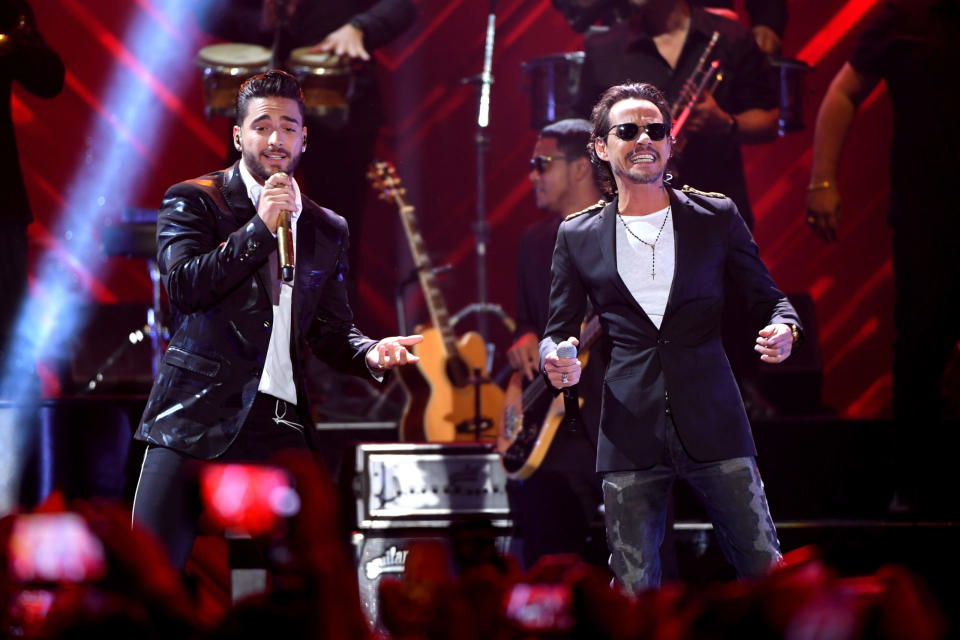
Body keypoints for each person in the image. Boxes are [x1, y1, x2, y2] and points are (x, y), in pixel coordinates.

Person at [132, 70, 422, 568]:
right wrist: (259, 228)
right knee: (148, 573)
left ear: (304, 138)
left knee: (305, 578)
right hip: (195, 414)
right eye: (262, 126)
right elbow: (183, 287)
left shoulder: (327, 227)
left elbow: (331, 329)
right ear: (238, 134)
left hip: (278, 420)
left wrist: (370, 351)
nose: (276, 139)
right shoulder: (196, 200)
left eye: (288, 127)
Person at [540, 82, 801, 591]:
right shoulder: (578, 234)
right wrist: (559, 356)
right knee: (634, 588)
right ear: (600, 147)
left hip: (714, 419)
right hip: (629, 428)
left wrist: (784, 328)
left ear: (669, 143)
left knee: (765, 572)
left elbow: (771, 299)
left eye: (655, 130)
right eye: (628, 130)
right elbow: (556, 330)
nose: (644, 139)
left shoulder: (714, 216)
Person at [805, 0, 960, 516]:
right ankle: (914, 489)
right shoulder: (903, 16)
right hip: (926, 214)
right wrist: (823, 179)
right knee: (920, 349)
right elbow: (844, 90)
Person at [199, 0, 416, 286]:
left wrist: (359, 28)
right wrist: (260, 21)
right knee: (239, 225)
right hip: (261, 109)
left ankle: (331, 328)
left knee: (333, 238)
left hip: (340, 111)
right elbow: (204, 10)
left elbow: (401, 6)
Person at [574, 0, 778, 231]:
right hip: (637, 224)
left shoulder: (731, 36)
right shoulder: (603, 48)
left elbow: (769, 122)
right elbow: (588, 139)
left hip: (717, 219)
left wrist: (726, 123)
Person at [504, 119, 606, 570]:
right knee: (543, 536)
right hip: (545, 423)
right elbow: (528, 323)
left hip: (607, 415)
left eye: (541, 164)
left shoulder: (622, 231)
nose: (532, 175)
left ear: (582, 167)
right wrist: (524, 338)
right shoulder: (532, 242)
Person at [0, 0, 63, 369]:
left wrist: (20, 38)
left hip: (1, 205)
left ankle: (17, 424)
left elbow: (49, 79)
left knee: (10, 330)